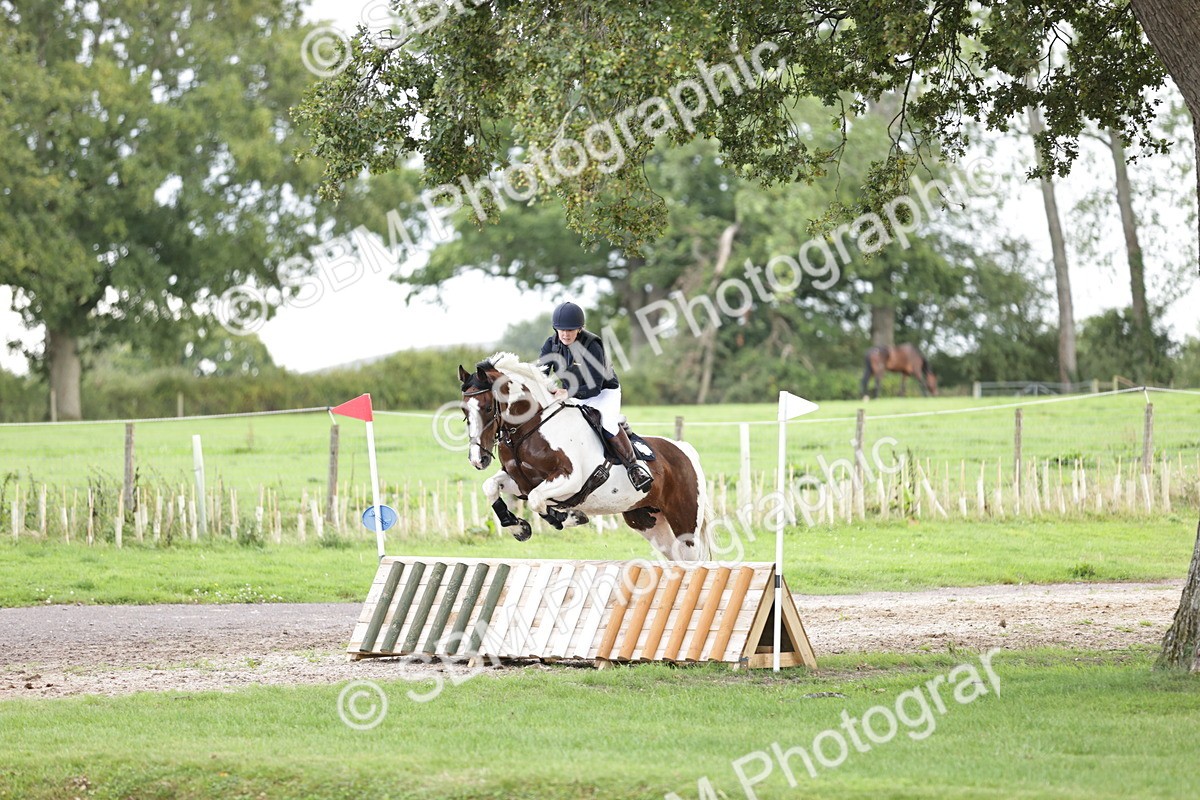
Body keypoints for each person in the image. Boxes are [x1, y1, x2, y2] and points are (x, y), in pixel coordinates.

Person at [538, 301, 653, 491]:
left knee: (607, 423)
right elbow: (540, 372)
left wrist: (566, 393)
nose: (565, 334)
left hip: (603, 393)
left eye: (571, 330)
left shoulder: (592, 346)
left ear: (580, 329)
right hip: (574, 395)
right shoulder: (551, 344)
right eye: (561, 330)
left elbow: (595, 387)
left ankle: (634, 468)